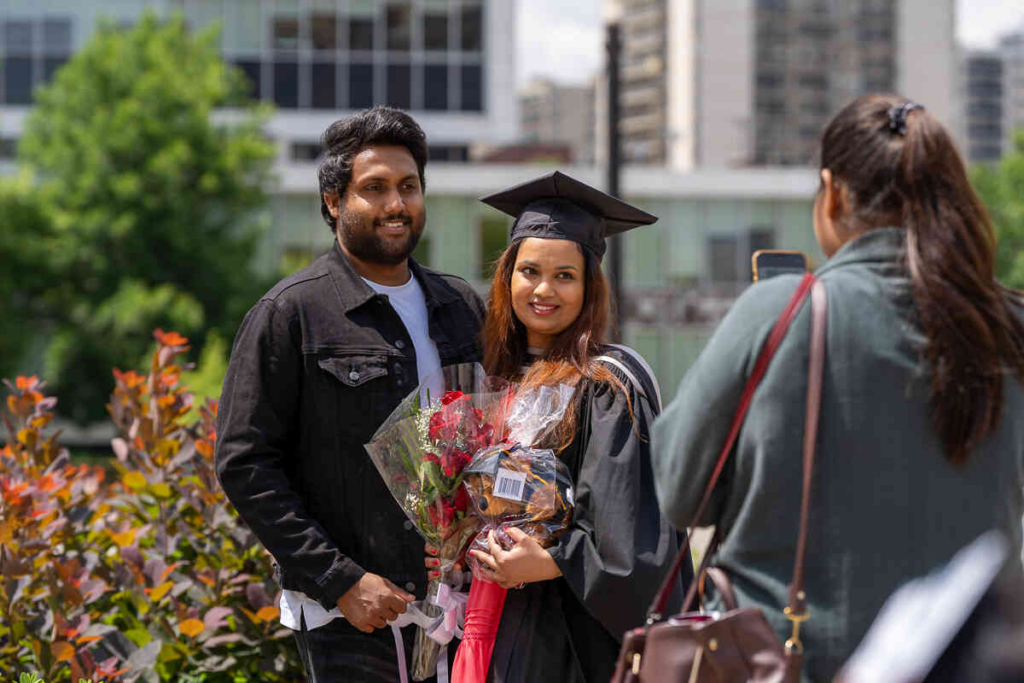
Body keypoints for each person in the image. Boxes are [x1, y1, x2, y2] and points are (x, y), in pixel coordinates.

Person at [651, 94, 1024, 682]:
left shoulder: (783, 309)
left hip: (794, 658)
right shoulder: (1006, 324)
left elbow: (677, 489)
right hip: (974, 660)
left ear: (835, 193)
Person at [215, 106, 486, 682]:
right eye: (375, 188)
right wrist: (340, 581)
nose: (396, 205)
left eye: (408, 187)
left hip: (462, 605)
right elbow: (245, 465)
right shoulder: (291, 314)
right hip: (353, 618)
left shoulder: (461, 305)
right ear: (334, 201)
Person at [441, 171, 686, 682]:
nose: (544, 289)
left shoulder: (608, 384)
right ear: (507, 278)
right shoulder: (495, 379)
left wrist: (550, 561)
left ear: (589, 285)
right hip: (490, 618)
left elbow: (632, 539)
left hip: (567, 639)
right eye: (529, 271)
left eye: (565, 276)